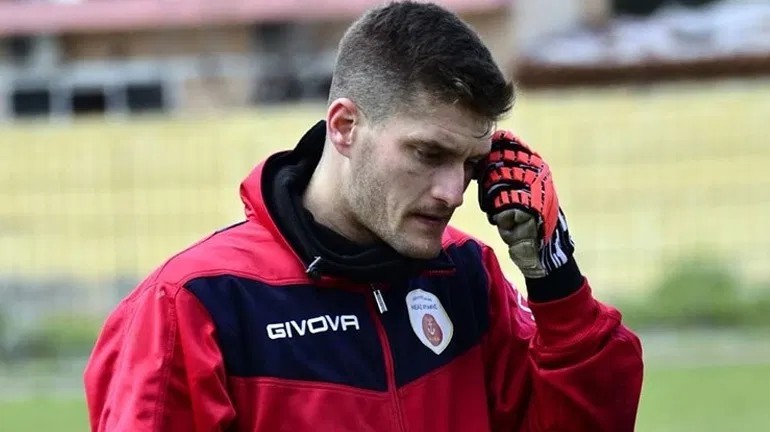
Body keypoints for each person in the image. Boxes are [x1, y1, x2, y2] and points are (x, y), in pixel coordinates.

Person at [84, 2, 644, 431]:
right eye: (428, 153)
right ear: (345, 127)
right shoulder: (194, 302)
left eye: (472, 163)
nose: (453, 191)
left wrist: (555, 280)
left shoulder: (467, 274)